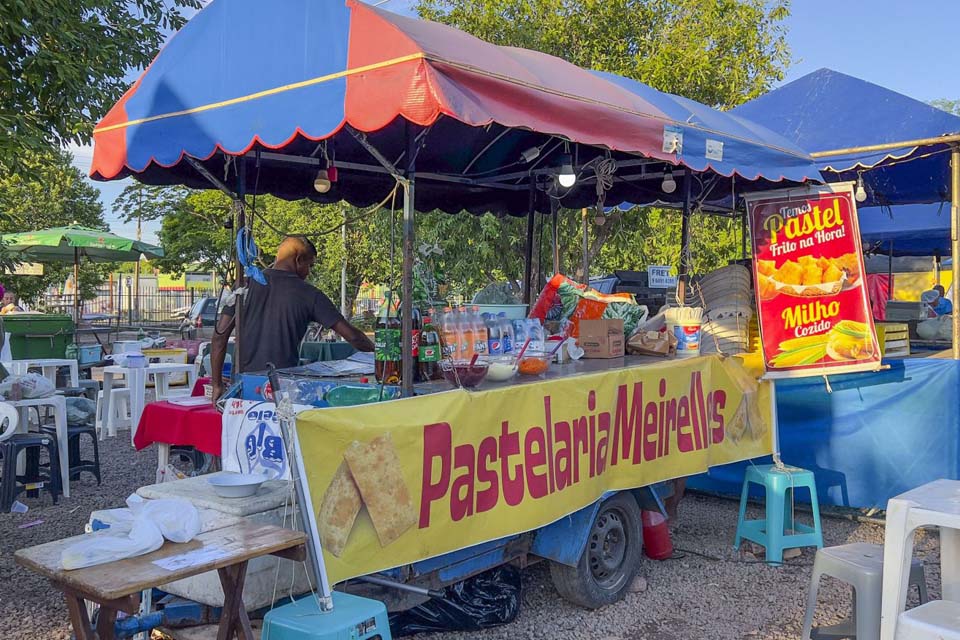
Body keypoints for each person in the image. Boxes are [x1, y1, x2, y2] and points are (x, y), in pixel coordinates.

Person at [210, 235, 374, 401]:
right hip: (281, 391)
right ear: (298, 259)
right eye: (309, 265)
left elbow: (219, 337)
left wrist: (217, 385)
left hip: (242, 389)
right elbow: (352, 336)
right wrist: (381, 355)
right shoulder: (309, 294)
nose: (309, 272)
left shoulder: (244, 285)